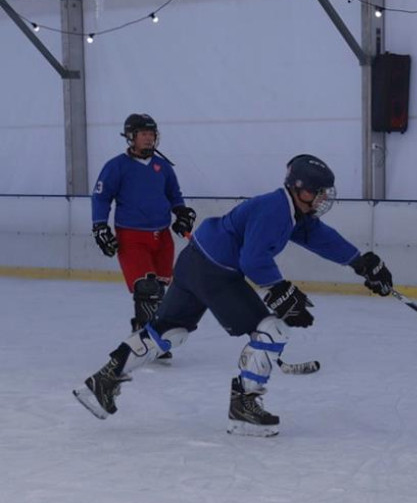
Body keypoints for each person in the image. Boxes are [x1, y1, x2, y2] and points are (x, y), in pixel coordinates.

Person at [74, 154, 395, 437]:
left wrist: (360, 261)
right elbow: (253, 261)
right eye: (319, 192)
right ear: (300, 189)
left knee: (170, 332)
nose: (323, 199)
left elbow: (320, 238)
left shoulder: (289, 210)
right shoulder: (276, 210)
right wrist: (281, 292)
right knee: (272, 330)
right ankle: (245, 406)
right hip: (216, 270)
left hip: (196, 259)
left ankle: (102, 380)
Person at [91, 113, 197, 360]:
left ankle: (145, 333)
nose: (149, 139)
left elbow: (174, 194)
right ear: (131, 137)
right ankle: (147, 341)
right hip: (132, 236)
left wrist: (181, 212)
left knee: (160, 290)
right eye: (143, 134)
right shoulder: (116, 166)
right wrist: (100, 226)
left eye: (152, 134)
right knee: (146, 288)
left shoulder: (163, 167)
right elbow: (101, 197)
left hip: (162, 237)